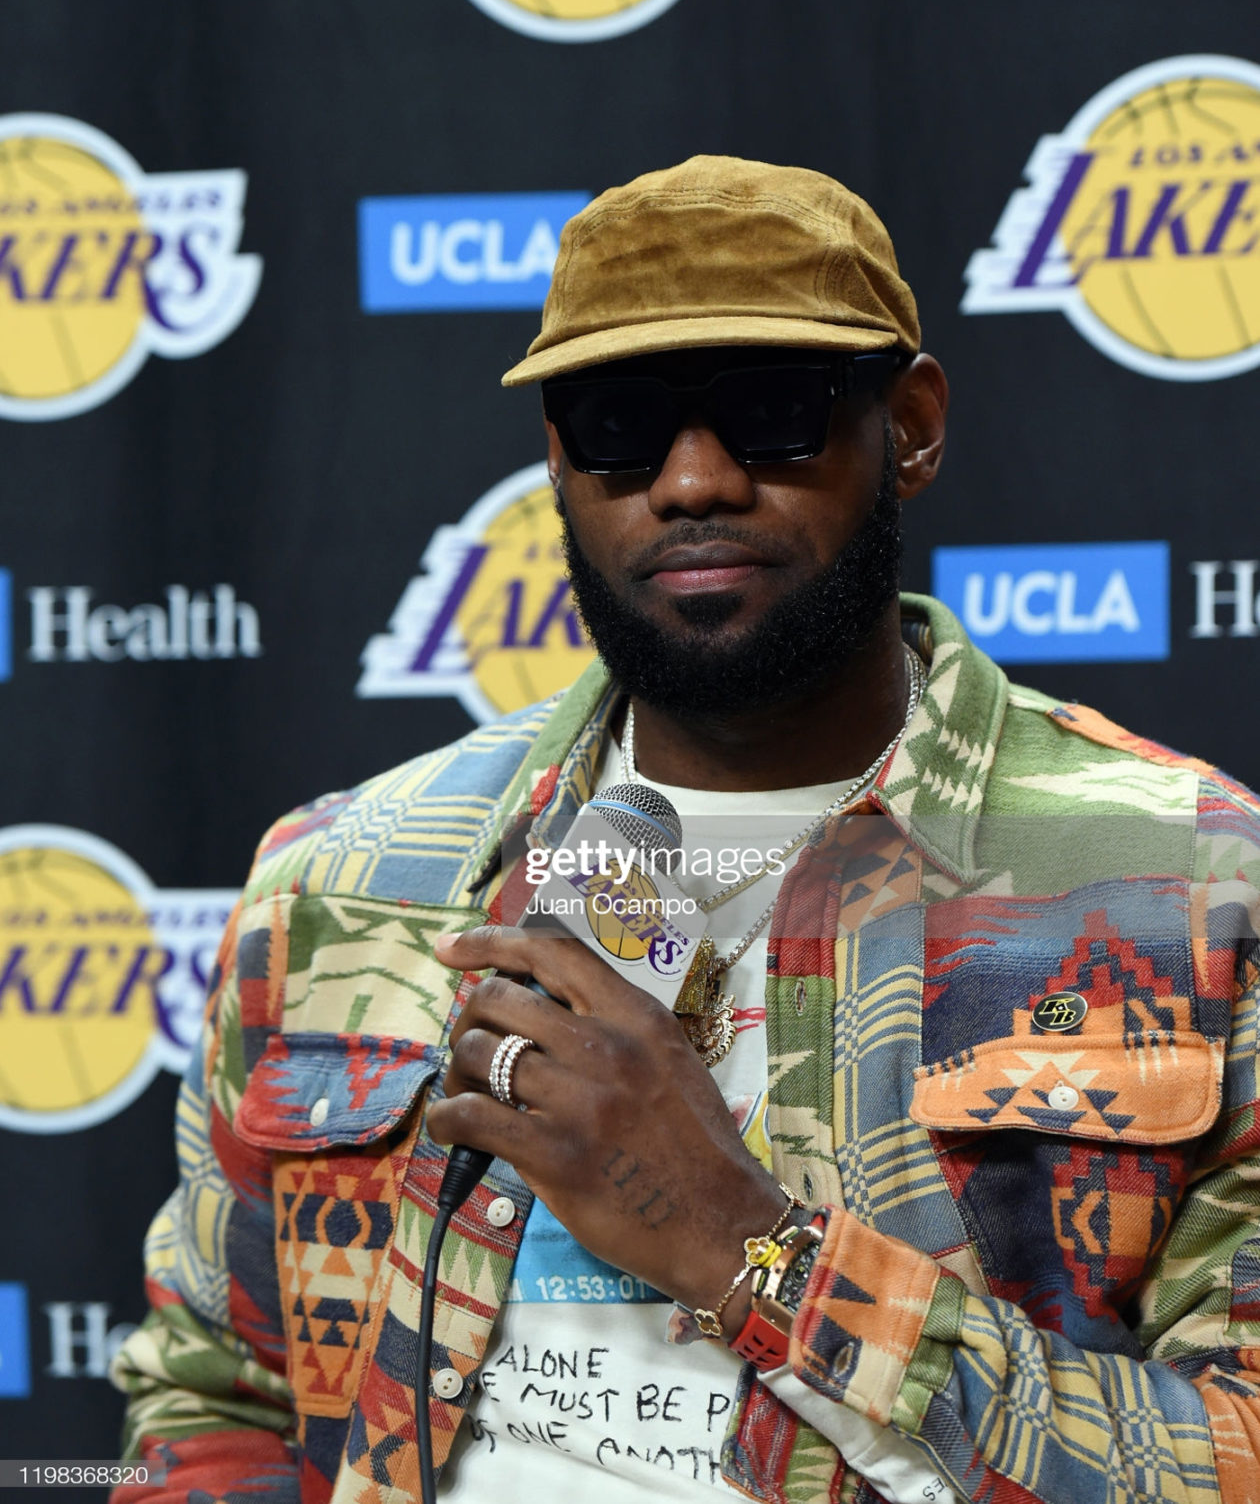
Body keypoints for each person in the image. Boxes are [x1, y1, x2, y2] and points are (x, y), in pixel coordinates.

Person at [112, 156, 1260, 1504]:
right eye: (618, 421)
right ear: (557, 461)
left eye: (772, 413)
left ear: (914, 426)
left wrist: (742, 1244)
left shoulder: (1189, 883)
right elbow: (211, 1398)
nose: (694, 479)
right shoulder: (345, 880)